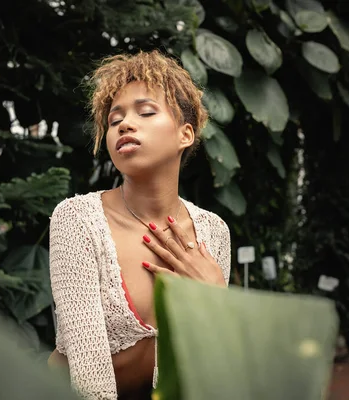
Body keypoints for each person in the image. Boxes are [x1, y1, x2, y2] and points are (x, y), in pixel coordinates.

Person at [47, 50, 232, 400]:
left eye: (146, 112)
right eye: (115, 119)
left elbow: (209, 368)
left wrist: (216, 301)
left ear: (185, 134)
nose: (125, 124)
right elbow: (89, 376)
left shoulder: (214, 232)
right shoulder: (78, 220)